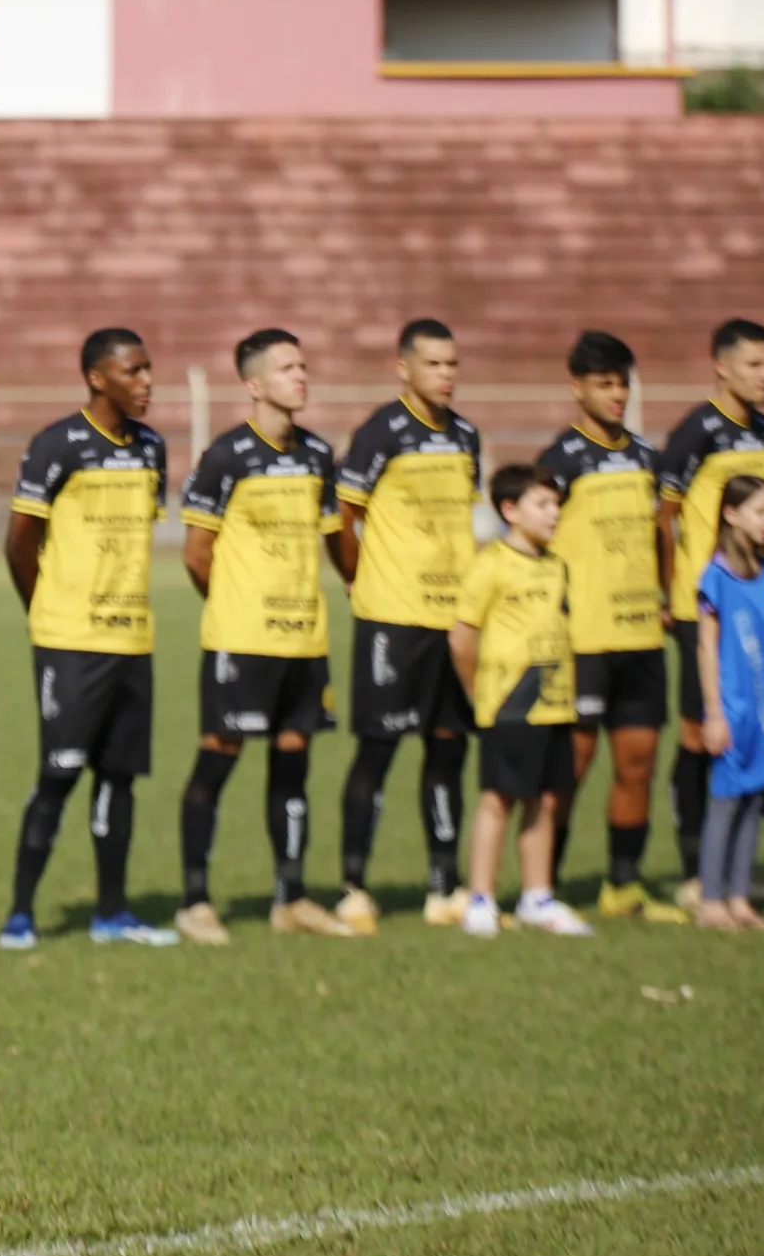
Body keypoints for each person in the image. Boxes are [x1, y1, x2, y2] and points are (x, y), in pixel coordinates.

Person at [0, 328, 176, 951]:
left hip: (133, 639)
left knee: (119, 778)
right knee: (60, 774)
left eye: (149, 369)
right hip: (70, 640)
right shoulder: (58, 445)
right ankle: (20, 912)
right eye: (134, 371)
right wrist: (42, 608)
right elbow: (19, 541)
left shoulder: (152, 447)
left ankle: (112, 913)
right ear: (98, 378)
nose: (147, 381)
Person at [173, 328, 353, 942]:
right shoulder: (227, 456)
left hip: (305, 642)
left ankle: (291, 896)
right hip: (242, 642)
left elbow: (334, 542)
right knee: (218, 760)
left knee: (294, 763)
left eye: (303, 366)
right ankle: (195, 901)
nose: (300, 377)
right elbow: (198, 555)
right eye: (286, 369)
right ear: (254, 385)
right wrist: (236, 607)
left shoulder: (317, 455)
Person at [332, 318, 481, 932]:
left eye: (452, 364)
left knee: (448, 748)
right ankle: (354, 885)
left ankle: (443, 883)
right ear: (404, 369)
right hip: (392, 619)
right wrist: (358, 581)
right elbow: (342, 517)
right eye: (434, 364)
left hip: (455, 620)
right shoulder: (380, 432)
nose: (446, 375)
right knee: (379, 750)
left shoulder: (467, 435)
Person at [536, 331, 687, 924]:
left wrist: (670, 597)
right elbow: (535, 541)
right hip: (583, 641)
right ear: (577, 387)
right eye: (605, 384)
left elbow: (661, 534)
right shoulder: (559, 462)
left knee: (638, 762)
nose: (617, 394)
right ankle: (541, 886)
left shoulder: (649, 458)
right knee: (570, 768)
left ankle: (623, 886)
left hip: (641, 638)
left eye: (623, 383)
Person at [658, 317, 764, 911]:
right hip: (697, 605)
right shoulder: (696, 430)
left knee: (747, 725)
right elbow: (664, 514)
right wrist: (666, 590)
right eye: (755, 365)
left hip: (750, 606)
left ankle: (734, 867)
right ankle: (693, 865)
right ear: (722, 366)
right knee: (697, 733)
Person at [448, 465, 593, 938]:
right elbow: (462, 637)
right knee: (498, 800)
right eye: (543, 504)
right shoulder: (490, 564)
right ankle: (481, 900)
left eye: (556, 504)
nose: (554, 514)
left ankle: (537, 896)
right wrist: (477, 694)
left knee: (546, 801)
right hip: (510, 703)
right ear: (510, 510)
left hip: (555, 702)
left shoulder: (557, 564)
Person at [694, 475, 764, 932]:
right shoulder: (715, 577)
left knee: (754, 798)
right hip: (733, 708)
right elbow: (706, 647)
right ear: (731, 514)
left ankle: (739, 898)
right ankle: (710, 900)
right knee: (726, 800)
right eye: (760, 512)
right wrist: (715, 712)